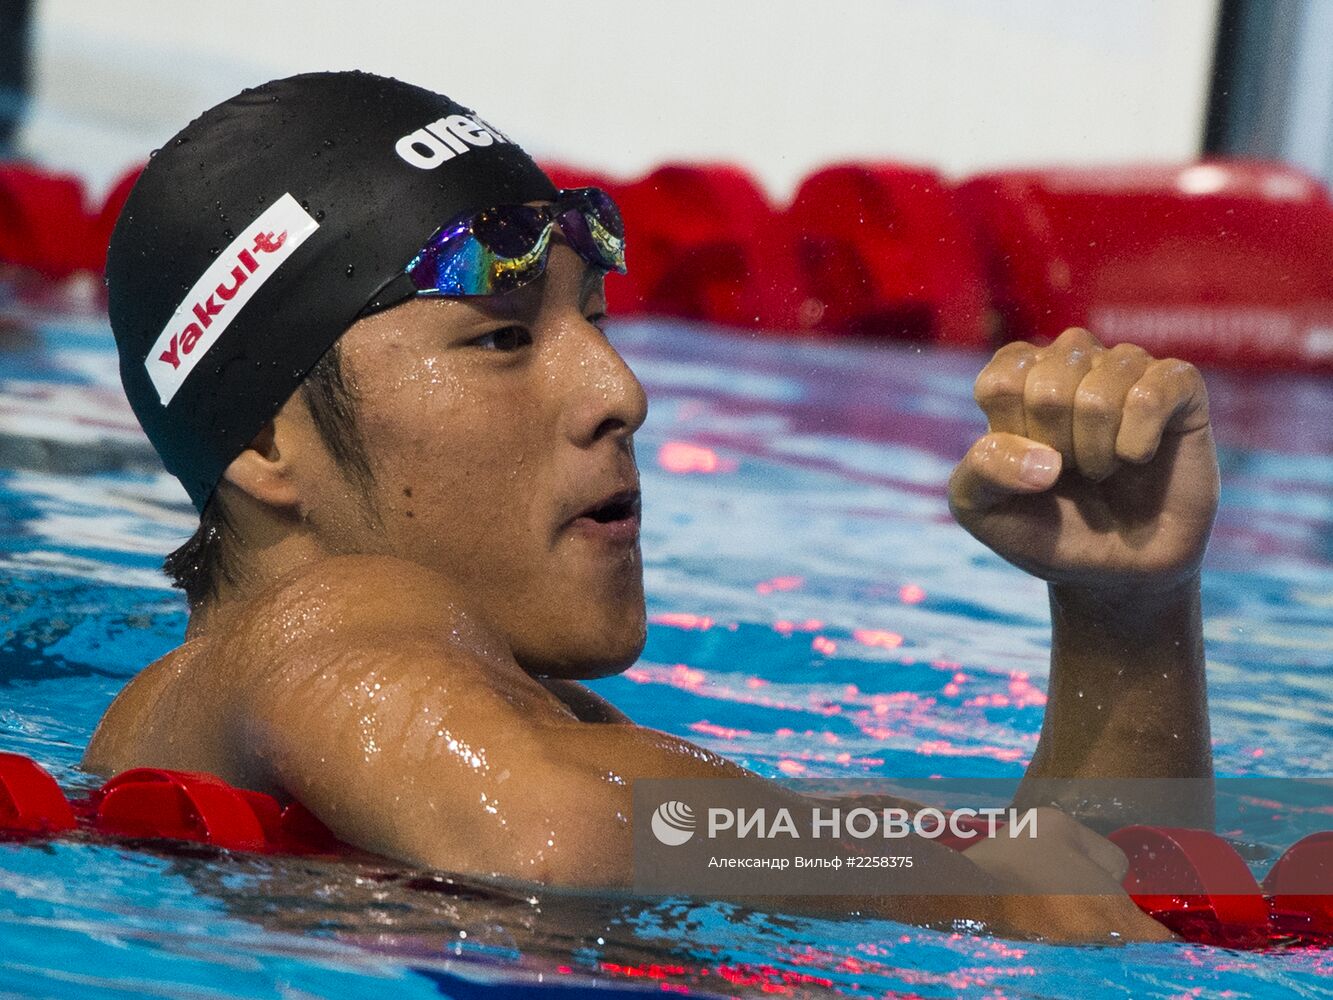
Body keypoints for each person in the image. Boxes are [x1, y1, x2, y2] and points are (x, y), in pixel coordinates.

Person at [84, 71, 1218, 944]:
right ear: (264, 444)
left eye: (600, 319)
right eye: (501, 336)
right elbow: (549, 833)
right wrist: (987, 890)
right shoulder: (324, 621)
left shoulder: (512, 715)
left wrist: (1126, 607)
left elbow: (1117, 907)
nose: (618, 391)